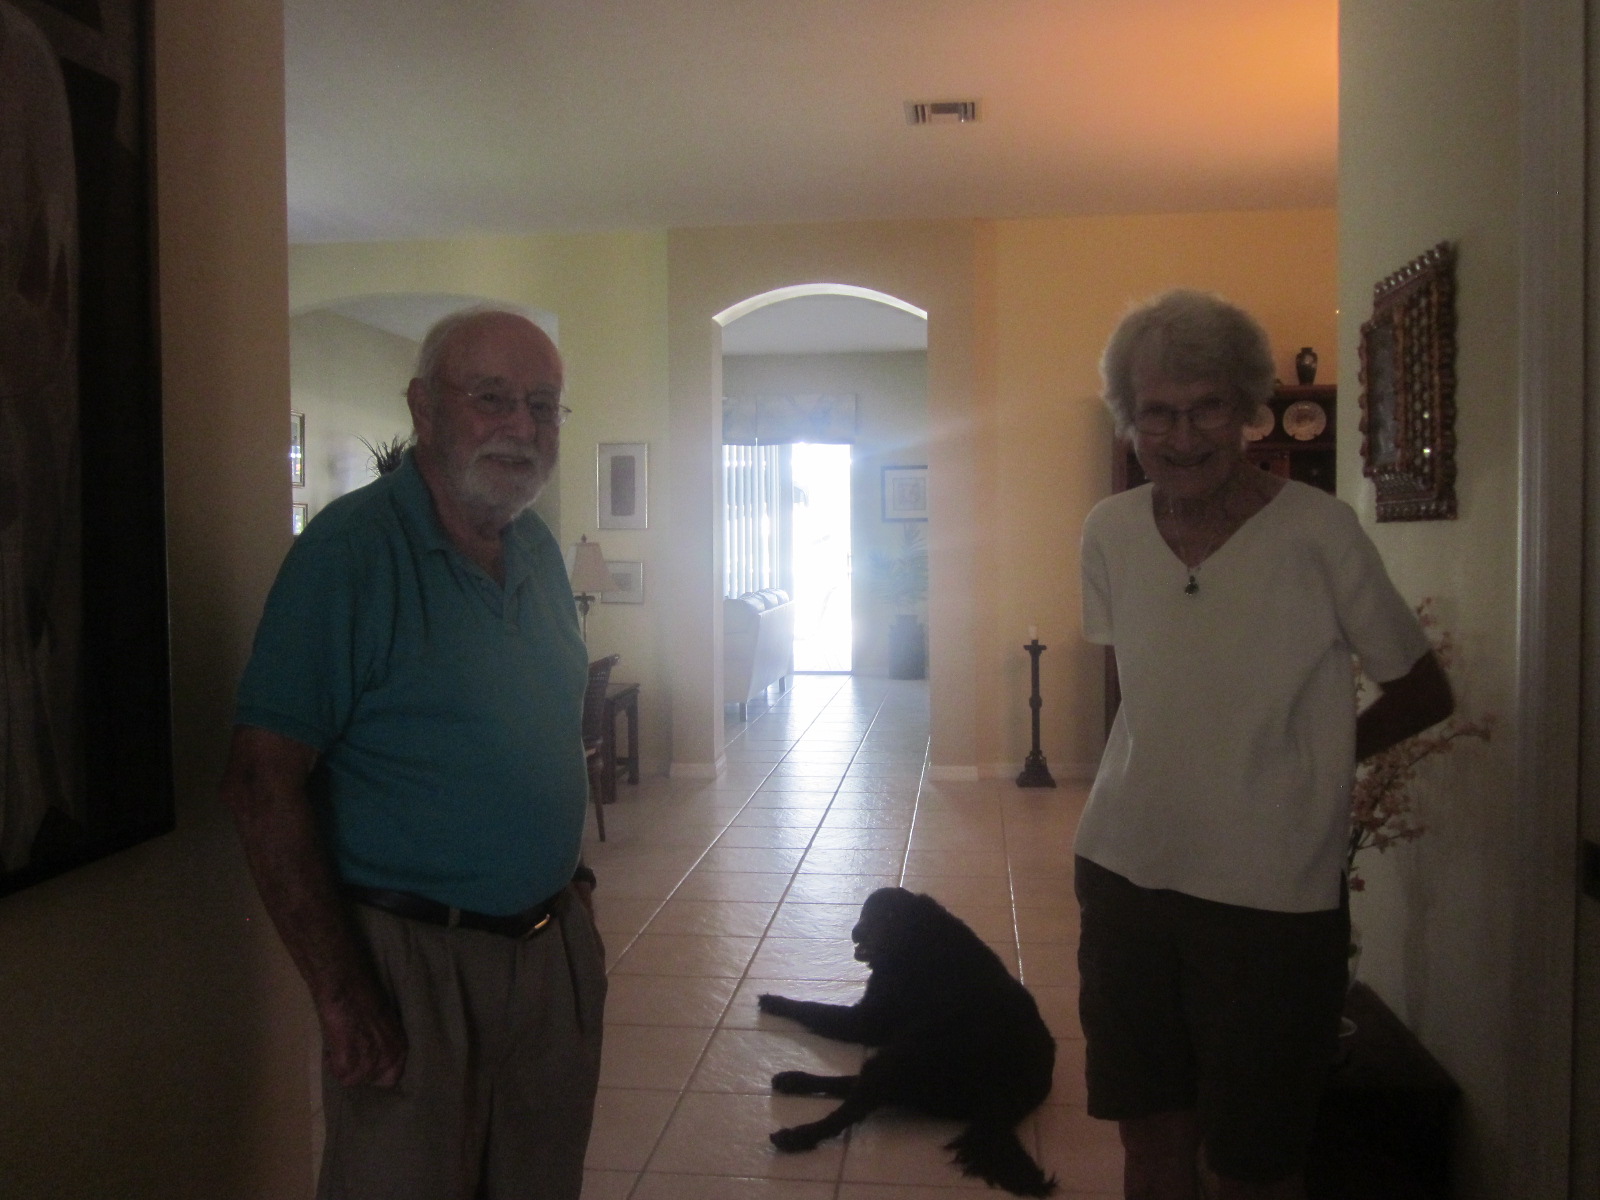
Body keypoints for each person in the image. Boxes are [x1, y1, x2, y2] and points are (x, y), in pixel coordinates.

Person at [1075, 290, 1454, 1200]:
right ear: (1130, 419)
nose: (1182, 436)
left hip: (1270, 901)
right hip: (1124, 875)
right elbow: (1142, 686)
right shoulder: (1109, 531)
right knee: (1149, 1141)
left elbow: (1423, 691)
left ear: (1248, 406)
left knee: (1255, 1162)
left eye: (1207, 407)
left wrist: (1311, 764)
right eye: (1157, 412)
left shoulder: (1318, 530)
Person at [222, 307, 606, 1200]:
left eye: (543, 406)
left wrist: (573, 892)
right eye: (492, 398)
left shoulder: (538, 549)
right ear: (424, 407)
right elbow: (259, 781)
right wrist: (341, 991)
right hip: (411, 963)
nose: (522, 427)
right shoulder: (350, 555)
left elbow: (540, 731)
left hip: (550, 953)